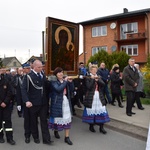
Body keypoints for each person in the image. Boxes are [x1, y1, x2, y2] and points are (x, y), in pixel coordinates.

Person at [21, 60, 53, 145]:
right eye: (39, 67)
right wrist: (26, 101)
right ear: (34, 67)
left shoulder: (43, 75)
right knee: (33, 121)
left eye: (41, 67)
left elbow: (46, 87)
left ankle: (46, 139)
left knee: (44, 121)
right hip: (33, 102)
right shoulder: (28, 76)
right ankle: (36, 137)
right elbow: (23, 89)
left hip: (43, 102)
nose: (41, 68)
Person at [48, 67, 74, 145]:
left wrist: (70, 82)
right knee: (57, 118)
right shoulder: (53, 81)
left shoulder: (64, 81)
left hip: (65, 101)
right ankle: (56, 131)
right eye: (59, 72)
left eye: (62, 72)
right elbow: (58, 89)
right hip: (57, 102)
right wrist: (65, 82)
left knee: (67, 118)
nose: (61, 74)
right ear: (56, 74)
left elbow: (71, 89)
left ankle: (67, 137)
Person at [82, 65, 110, 134]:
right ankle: (91, 126)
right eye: (93, 70)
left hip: (99, 96)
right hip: (91, 97)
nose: (94, 71)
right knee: (92, 111)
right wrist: (93, 79)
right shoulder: (88, 77)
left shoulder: (98, 76)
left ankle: (101, 127)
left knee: (102, 110)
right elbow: (88, 87)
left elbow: (103, 84)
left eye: (95, 70)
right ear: (90, 71)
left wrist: (98, 80)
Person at [0, 68, 16, 145]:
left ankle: (10, 138)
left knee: (8, 122)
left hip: (6, 105)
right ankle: (0, 137)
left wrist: (5, 102)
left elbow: (10, 92)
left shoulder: (5, 80)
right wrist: (0, 103)